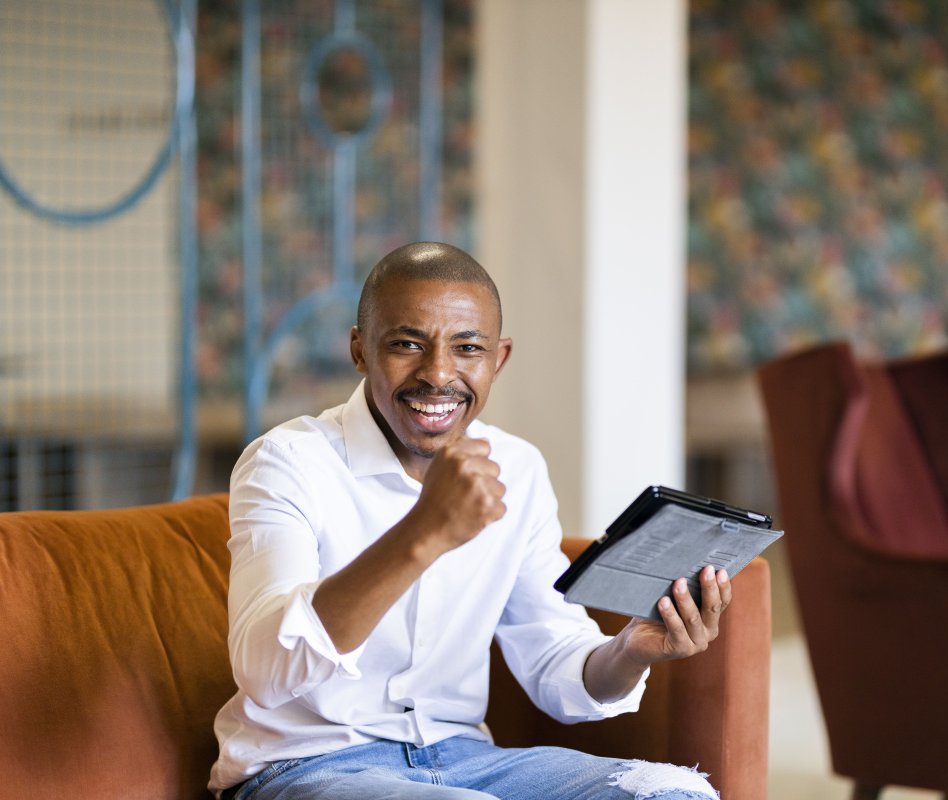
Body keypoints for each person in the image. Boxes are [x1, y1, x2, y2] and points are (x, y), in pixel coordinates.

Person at [209, 242, 734, 800]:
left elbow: (552, 652)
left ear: (498, 358)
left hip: (466, 762)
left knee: (673, 793)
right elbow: (265, 670)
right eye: (407, 344)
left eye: (467, 348)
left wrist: (629, 652)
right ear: (360, 350)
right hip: (307, 767)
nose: (438, 374)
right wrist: (424, 531)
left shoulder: (517, 467)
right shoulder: (287, 461)